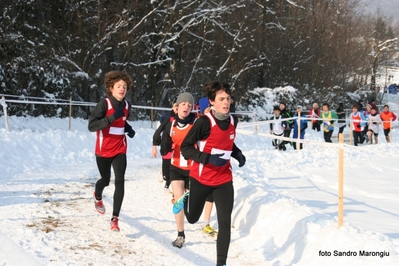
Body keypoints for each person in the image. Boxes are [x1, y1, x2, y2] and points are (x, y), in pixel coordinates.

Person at [180, 81, 246, 266]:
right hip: (202, 177)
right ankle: (184, 198)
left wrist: (237, 153)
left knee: (225, 221)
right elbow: (186, 148)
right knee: (192, 218)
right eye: (221, 99)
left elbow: (227, 142)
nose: (226, 102)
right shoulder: (204, 122)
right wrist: (207, 159)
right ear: (212, 102)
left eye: (228, 98)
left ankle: (221, 263)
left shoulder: (234, 120)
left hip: (224, 178)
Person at [88, 70, 135, 232]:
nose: (122, 89)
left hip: (120, 149)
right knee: (105, 180)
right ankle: (98, 195)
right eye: (119, 86)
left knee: (120, 181)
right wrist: (112, 117)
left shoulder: (127, 106)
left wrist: (129, 129)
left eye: (125, 86)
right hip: (103, 150)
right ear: (111, 88)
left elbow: (122, 122)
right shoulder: (104, 104)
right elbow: (92, 126)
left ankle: (115, 219)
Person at [159, 92, 198, 248]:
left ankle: (188, 209)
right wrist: (163, 147)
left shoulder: (196, 125)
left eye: (189, 105)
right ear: (177, 106)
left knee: (191, 211)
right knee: (179, 201)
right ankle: (180, 234)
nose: (186, 107)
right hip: (175, 168)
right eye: (183, 104)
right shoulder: (171, 125)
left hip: (192, 170)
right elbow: (165, 142)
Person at [152, 101, 178, 192]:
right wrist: (155, 144)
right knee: (167, 171)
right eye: (176, 106)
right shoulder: (165, 117)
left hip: (178, 147)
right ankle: (165, 175)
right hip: (166, 145)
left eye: (179, 106)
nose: (177, 108)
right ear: (172, 107)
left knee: (175, 167)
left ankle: (169, 184)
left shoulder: (185, 118)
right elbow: (158, 130)